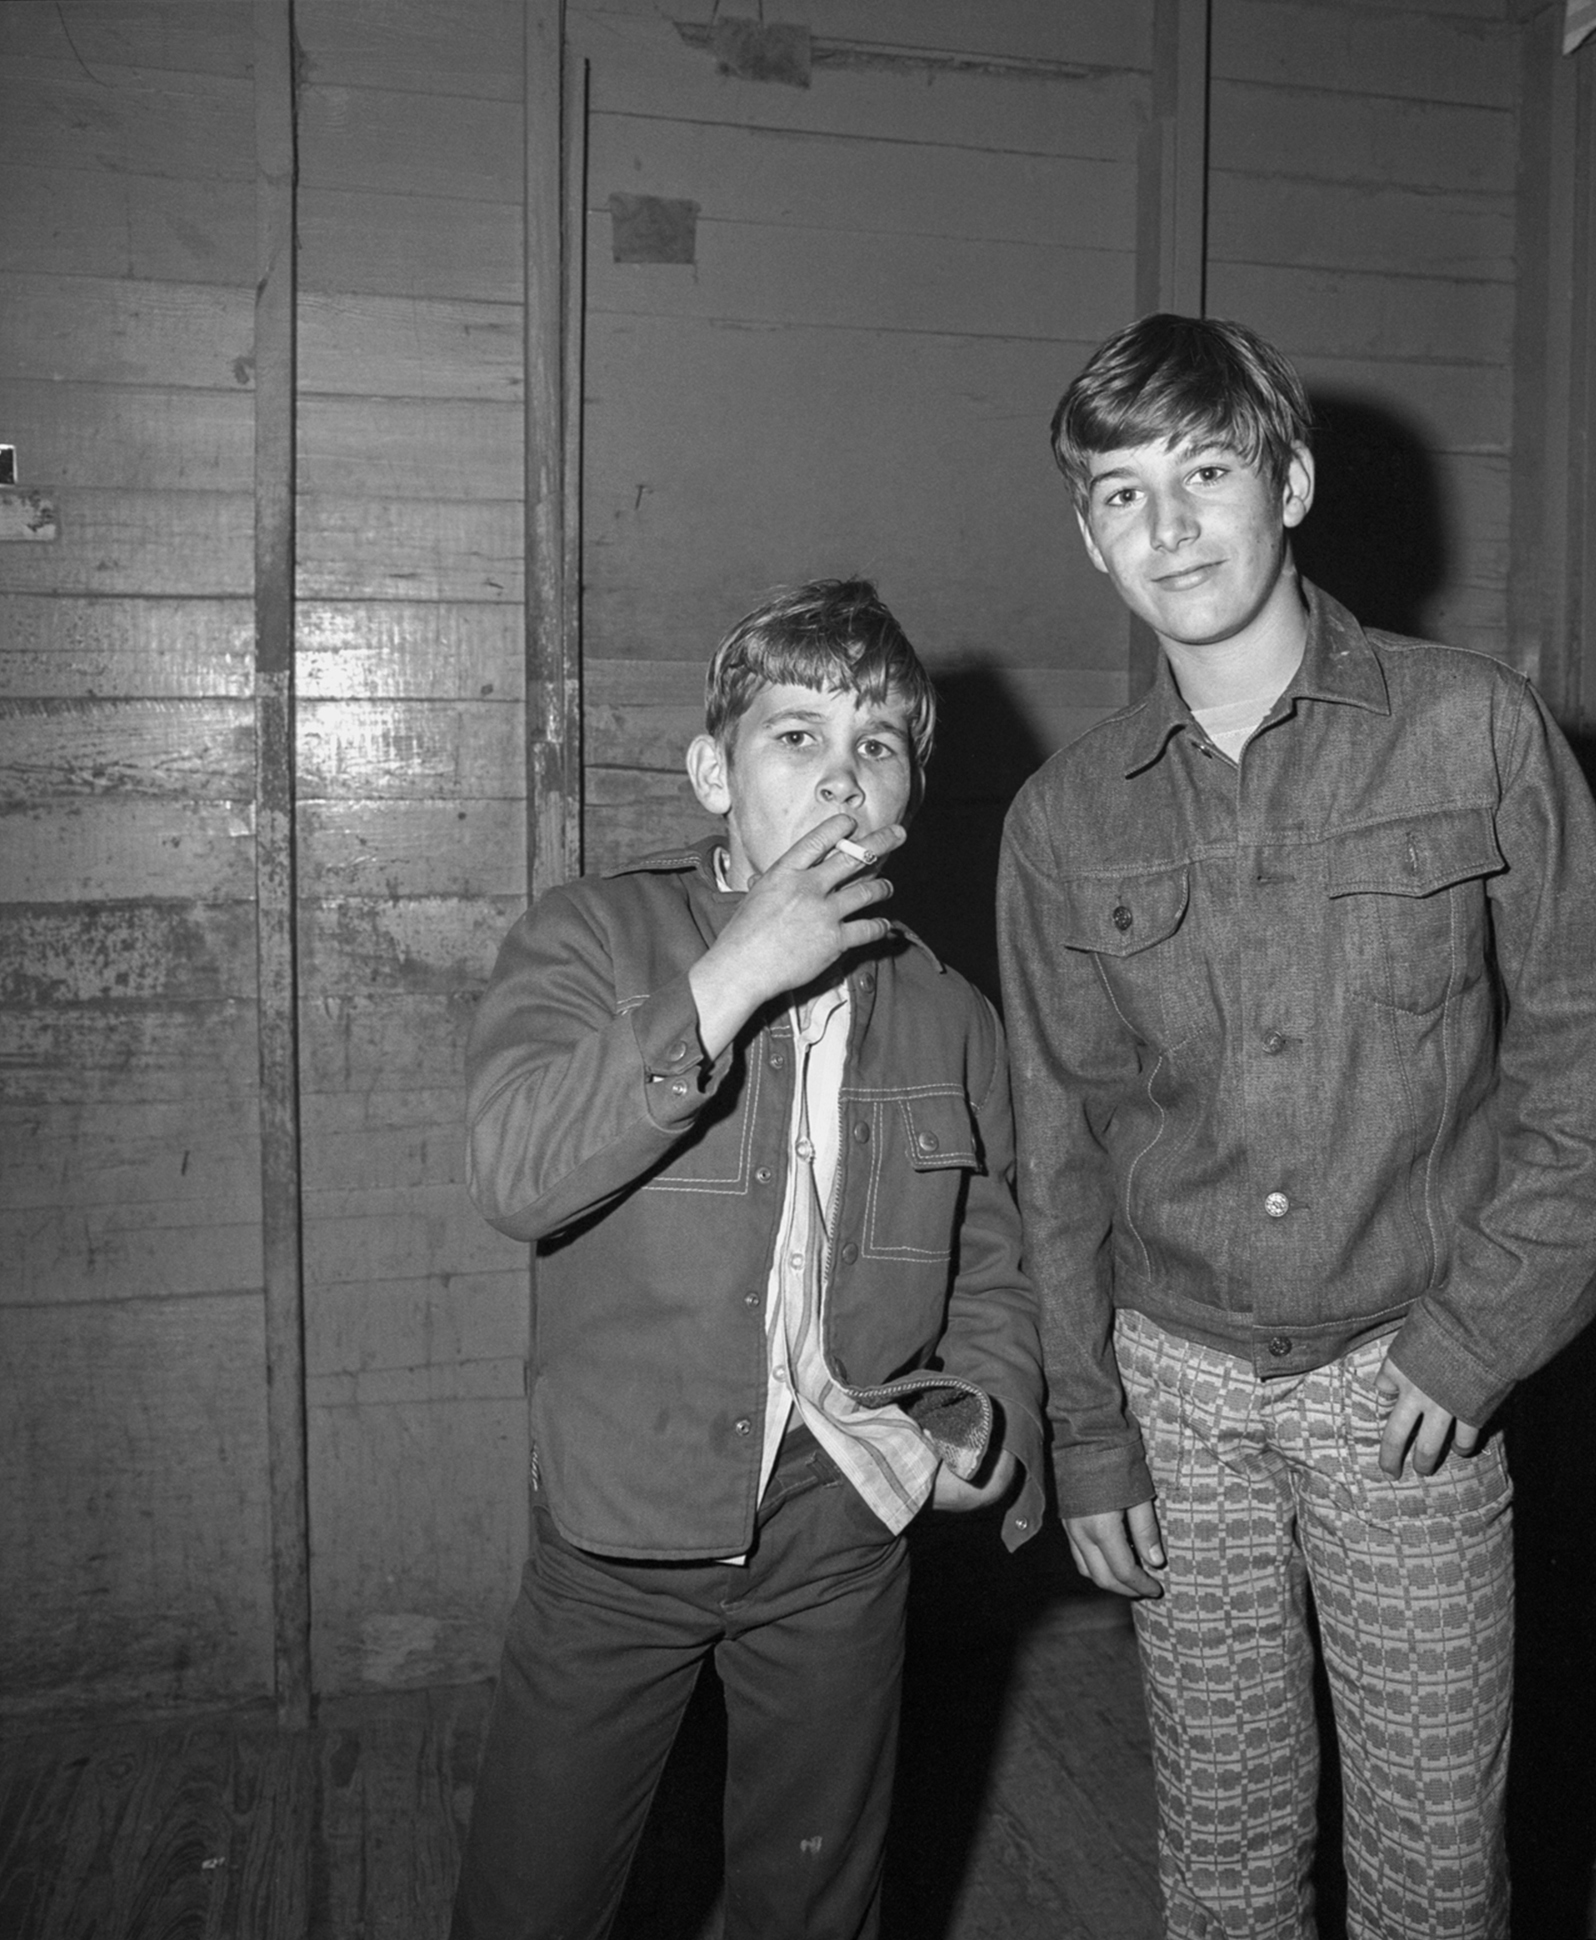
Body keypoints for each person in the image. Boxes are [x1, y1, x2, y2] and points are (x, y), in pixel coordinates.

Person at [996, 314, 1596, 1939]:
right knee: (1222, 1853)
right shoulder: (1063, 819)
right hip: (1177, 1396)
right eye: (1122, 494)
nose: (1171, 526)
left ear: (1287, 481)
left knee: (1437, 1861)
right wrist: (1089, 1430)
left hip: (1408, 1385)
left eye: (1207, 470)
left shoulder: (1473, 730)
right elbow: (1060, 1148)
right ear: (1088, 538)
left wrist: (1479, 1334)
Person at [452, 578, 1045, 1940]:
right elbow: (516, 1172)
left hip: (840, 1523)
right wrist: (736, 974)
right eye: (796, 738)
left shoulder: (949, 1012)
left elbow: (996, 1252)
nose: (840, 780)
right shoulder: (592, 937)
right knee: (532, 1902)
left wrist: (983, 1406)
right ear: (715, 771)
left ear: (907, 796)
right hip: (621, 1529)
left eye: (877, 748)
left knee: (816, 1894)